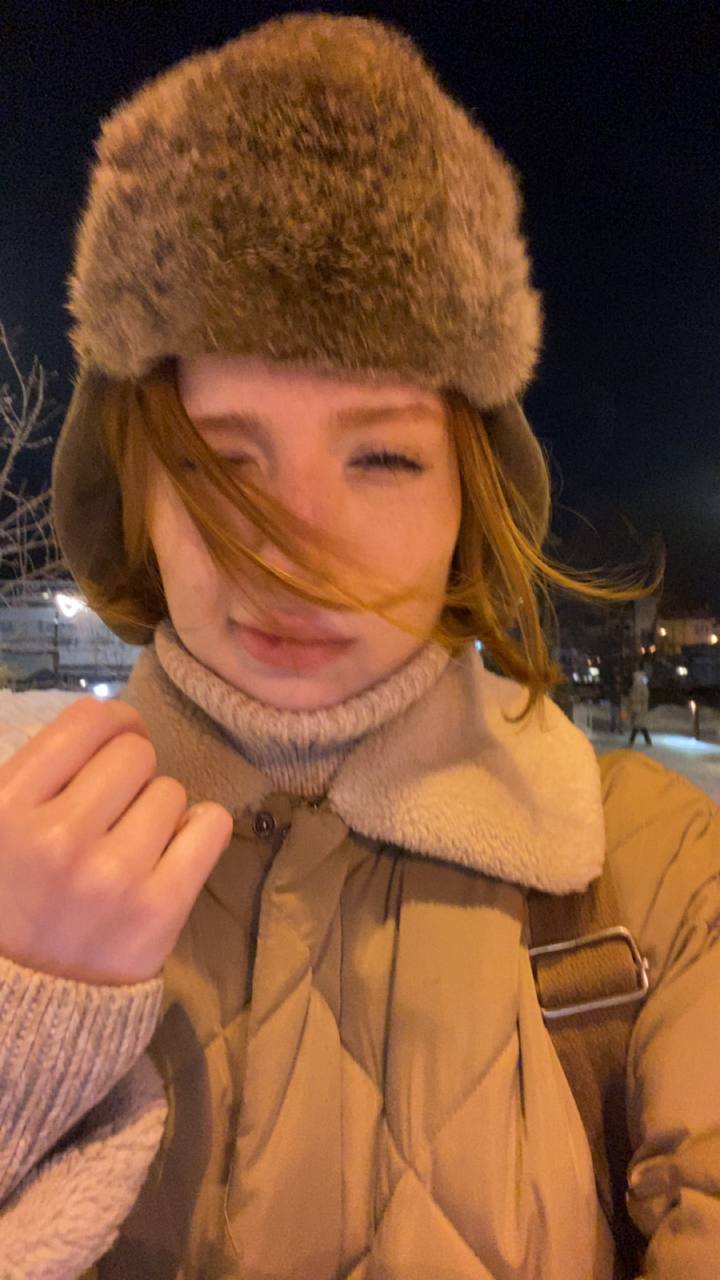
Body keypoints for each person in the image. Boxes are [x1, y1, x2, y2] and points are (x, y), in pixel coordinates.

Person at [0, 13, 718, 1279]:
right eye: (223, 462)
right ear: (136, 492)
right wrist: (26, 1036)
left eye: (381, 456)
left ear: (469, 501)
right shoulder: (22, 857)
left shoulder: (656, 870)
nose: (296, 545)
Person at [628, 668, 653, 746]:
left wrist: (638, 702)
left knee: (637, 724)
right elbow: (632, 696)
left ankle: (631, 740)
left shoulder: (642, 687)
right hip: (636, 708)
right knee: (641, 725)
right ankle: (648, 740)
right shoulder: (635, 686)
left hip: (641, 708)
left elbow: (645, 697)